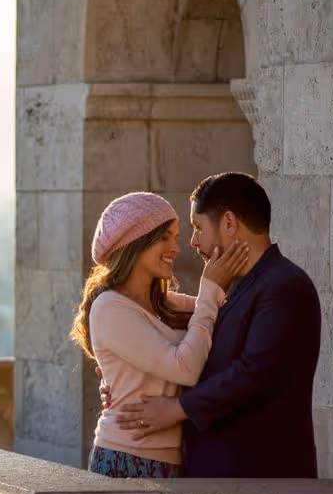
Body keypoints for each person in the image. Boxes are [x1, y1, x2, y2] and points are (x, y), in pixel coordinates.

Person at [106, 173, 322, 478]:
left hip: (261, 482)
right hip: (222, 483)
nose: (192, 242)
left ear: (229, 223)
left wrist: (178, 408)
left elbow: (255, 373)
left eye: (198, 228)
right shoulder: (236, 288)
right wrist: (127, 380)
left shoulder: (285, 286)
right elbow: (192, 349)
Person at [71, 191, 249, 478]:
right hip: (125, 459)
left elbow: (225, 313)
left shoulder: (166, 303)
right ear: (135, 242)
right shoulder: (109, 307)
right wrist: (209, 286)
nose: (176, 248)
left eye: (175, 237)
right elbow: (186, 368)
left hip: (177, 461)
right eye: (165, 237)